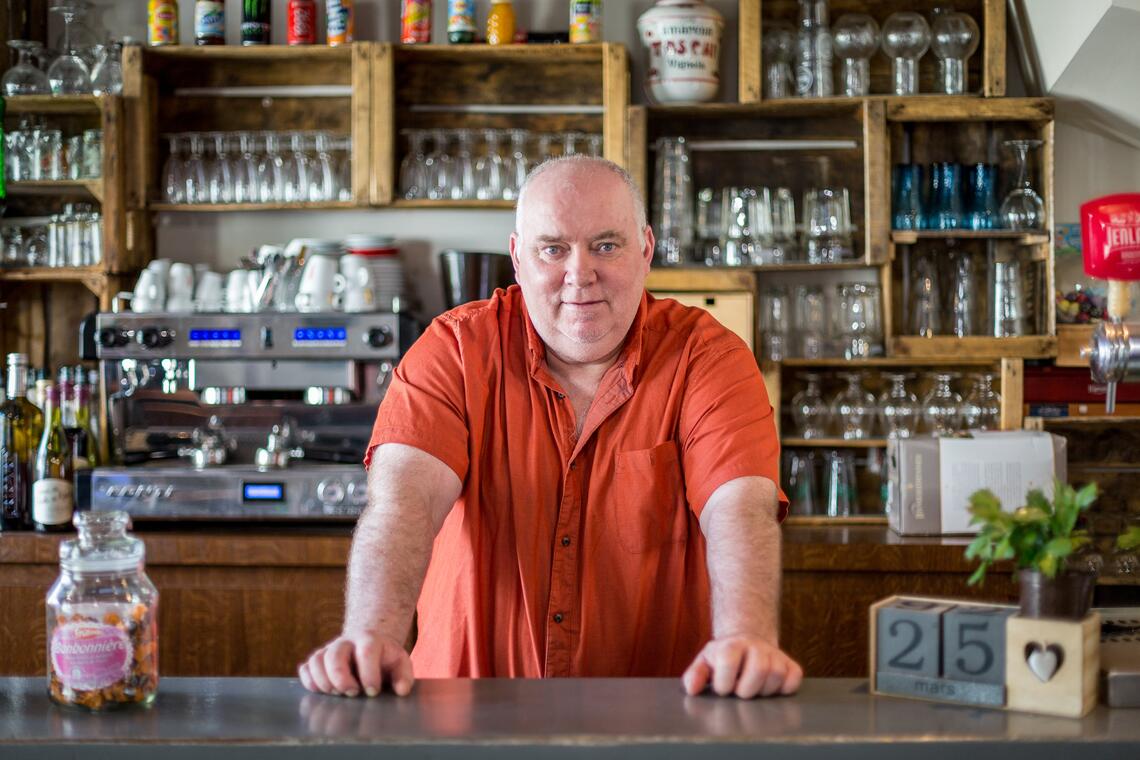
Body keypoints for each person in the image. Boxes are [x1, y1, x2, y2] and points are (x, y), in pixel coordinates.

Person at [299, 156, 802, 700]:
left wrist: (746, 638)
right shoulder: (456, 352)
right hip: (459, 721)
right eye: (553, 248)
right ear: (517, 257)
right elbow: (405, 503)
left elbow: (739, 509)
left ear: (647, 249)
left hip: (658, 722)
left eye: (606, 245)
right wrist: (371, 635)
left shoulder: (708, 357)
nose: (579, 274)